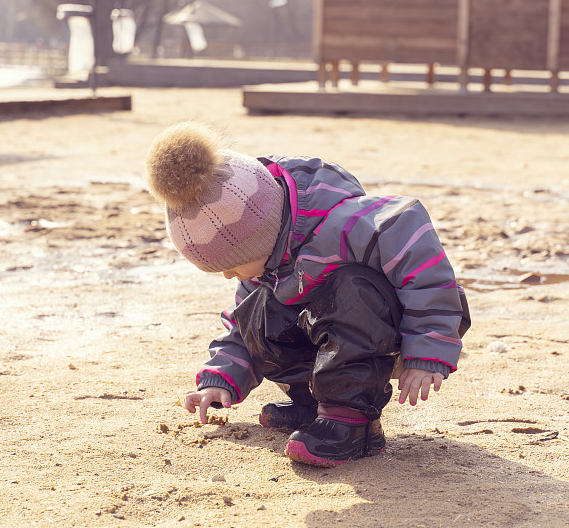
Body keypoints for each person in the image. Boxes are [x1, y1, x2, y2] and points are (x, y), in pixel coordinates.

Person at [145, 122, 470, 467]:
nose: (228, 274)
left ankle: (350, 418)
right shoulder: (268, 264)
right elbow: (240, 329)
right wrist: (220, 379)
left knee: (350, 288)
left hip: (393, 332)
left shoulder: (344, 226)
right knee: (257, 311)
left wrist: (429, 346)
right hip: (335, 334)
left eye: (234, 263)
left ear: (263, 236)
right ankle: (315, 405)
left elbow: (417, 250)